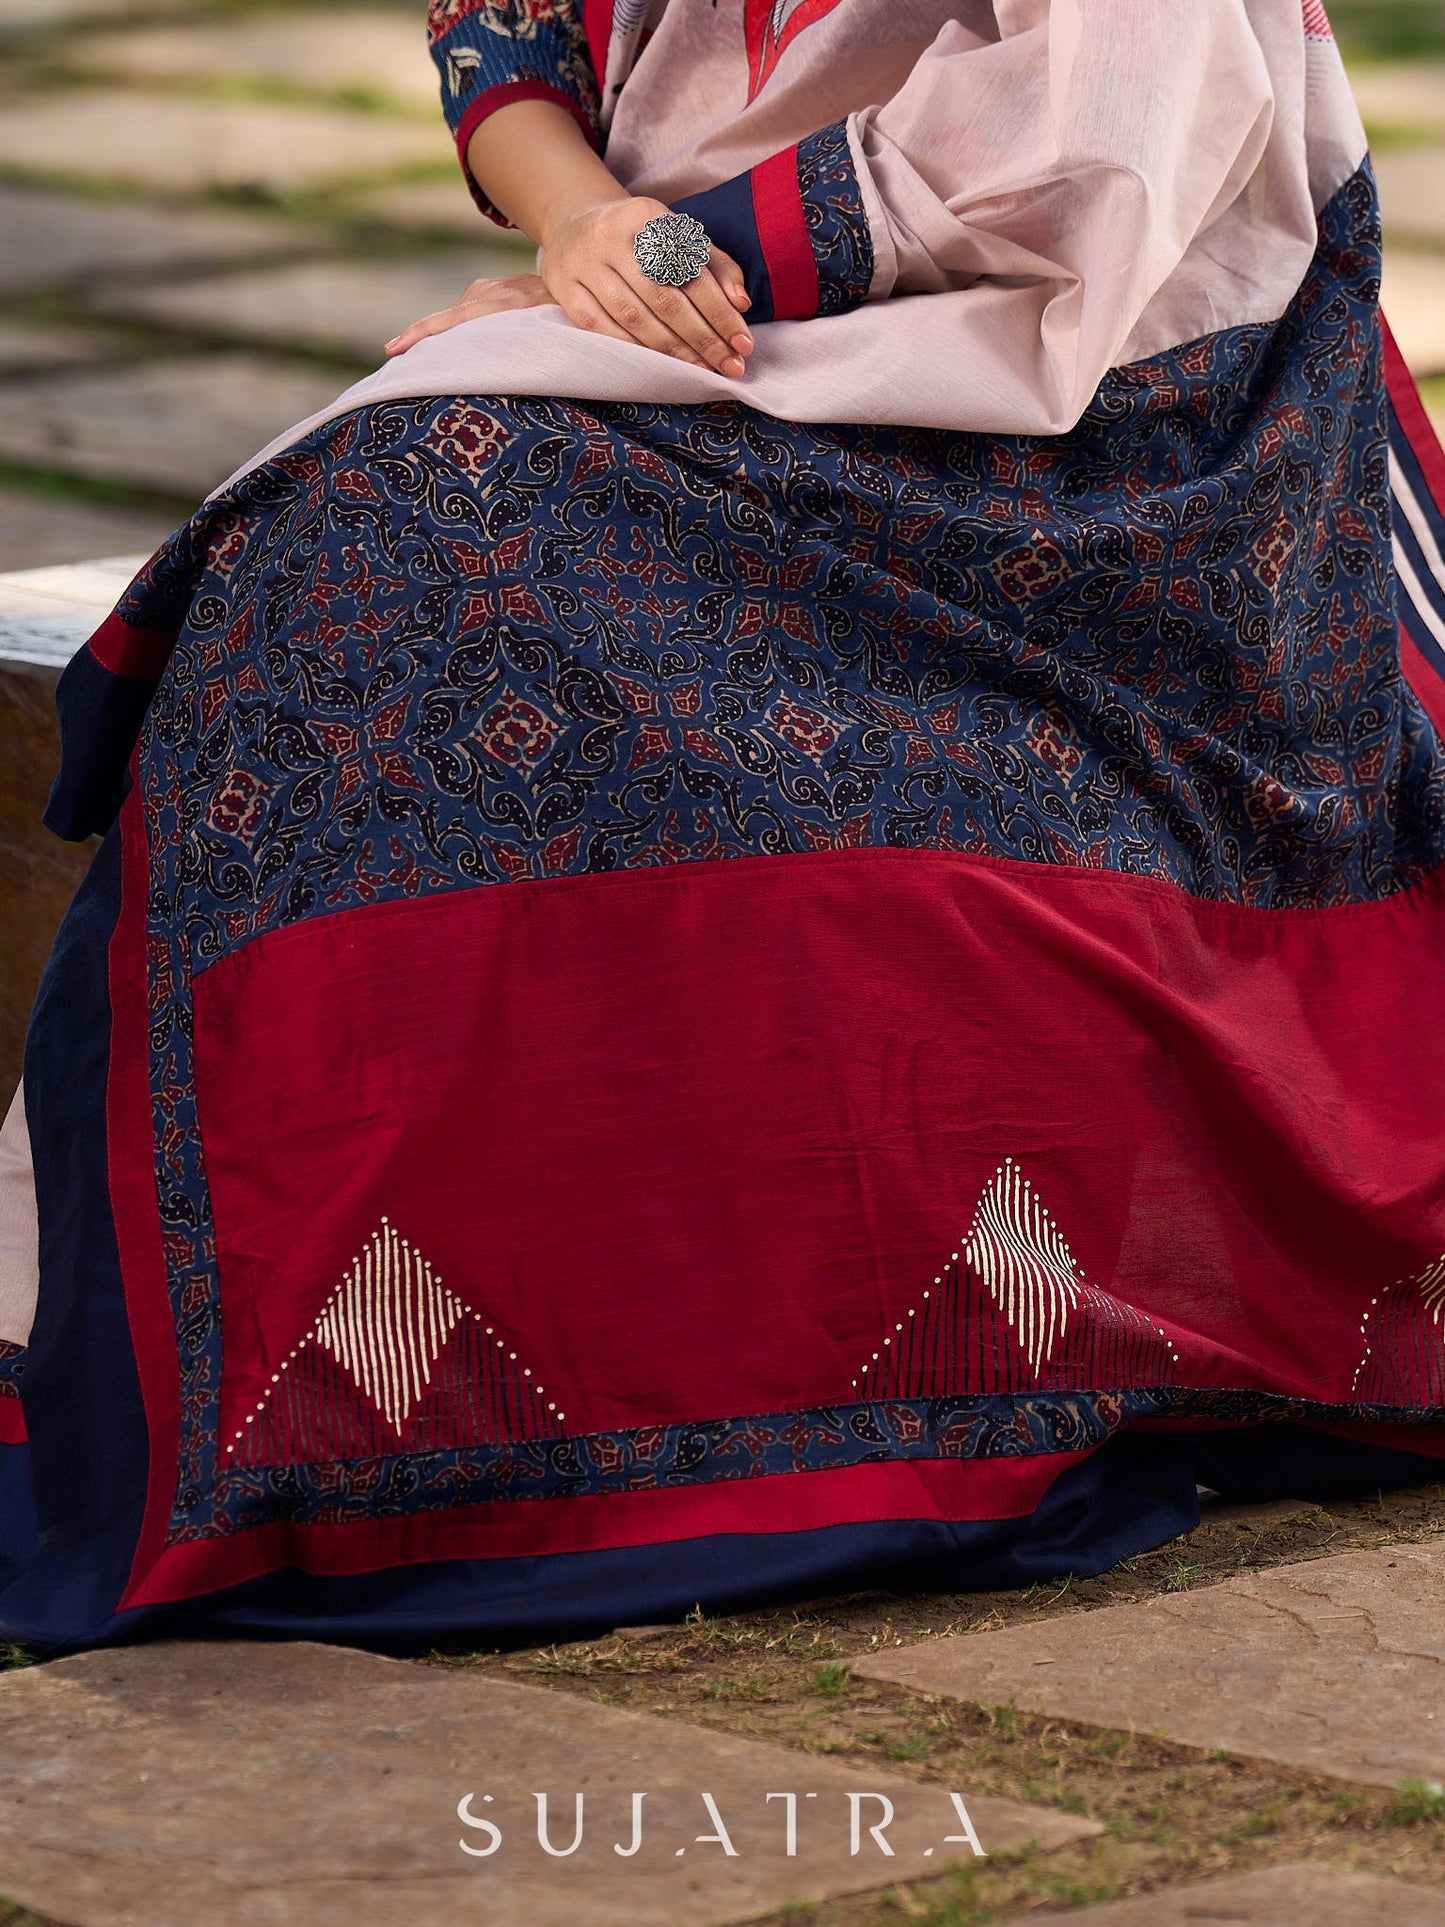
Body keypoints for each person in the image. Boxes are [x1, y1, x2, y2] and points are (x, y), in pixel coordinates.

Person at [2, 0, 1444, 1653]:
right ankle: (362, 1409)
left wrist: (645, 268)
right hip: (706, 338)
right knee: (361, 562)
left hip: (1107, 411)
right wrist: (585, 228)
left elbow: (1092, 151)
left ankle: (698, 1397)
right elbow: (508, 30)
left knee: (429, 512)